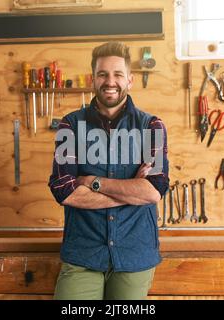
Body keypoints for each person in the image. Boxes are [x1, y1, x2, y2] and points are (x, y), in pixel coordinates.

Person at [48, 41, 169, 300]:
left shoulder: (153, 127)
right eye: (103, 74)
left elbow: (153, 191)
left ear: (130, 80)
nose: (110, 81)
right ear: (93, 79)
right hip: (83, 253)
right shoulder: (69, 125)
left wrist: (91, 181)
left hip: (134, 254)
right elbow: (64, 192)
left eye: (117, 74)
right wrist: (130, 191)